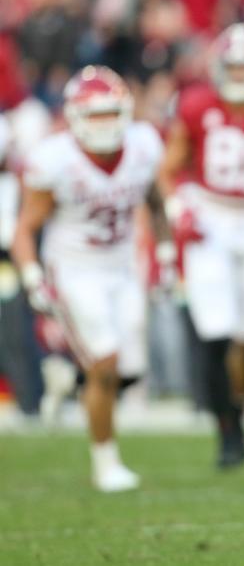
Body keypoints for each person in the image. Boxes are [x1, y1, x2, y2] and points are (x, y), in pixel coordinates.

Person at [11, 66, 167, 492]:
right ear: (75, 117)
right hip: (74, 269)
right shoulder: (54, 159)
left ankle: (68, 373)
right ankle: (106, 463)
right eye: (93, 116)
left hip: (121, 265)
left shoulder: (143, 145)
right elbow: (24, 227)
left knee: (127, 365)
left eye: (110, 114)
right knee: (107, 360)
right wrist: (31, 276)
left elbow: (155, 201)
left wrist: (166, 252)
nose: (103, 125)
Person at [156, 23, 244, 470]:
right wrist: (180, 209)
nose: (238, 74)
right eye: (232, 66)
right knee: (216, 332)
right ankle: (228, 429)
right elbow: (170, 168)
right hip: (211, 218)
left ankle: (242, 405)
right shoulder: (196, 106)